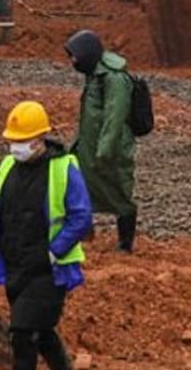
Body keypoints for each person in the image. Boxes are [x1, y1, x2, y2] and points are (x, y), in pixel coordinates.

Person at [0, 101, 91, 370]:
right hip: (16, 265)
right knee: (41, 331)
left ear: (39, 139)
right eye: (12, 140)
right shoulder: (7, 167)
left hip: (48, 269)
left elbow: (81, 216)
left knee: (22, 334)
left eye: (21, 141)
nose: (15, 147)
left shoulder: (63, 168)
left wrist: (55, 249)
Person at [64, 30, 137, 252]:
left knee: (118, 193)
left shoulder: (114, 78)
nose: (73, 61)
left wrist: (104, 151)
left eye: (75, 56)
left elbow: (114, 118)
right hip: (89, 146)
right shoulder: (95, 74)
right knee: (78, 188)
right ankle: (84, 232)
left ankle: (125, 244)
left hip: (109, 149)